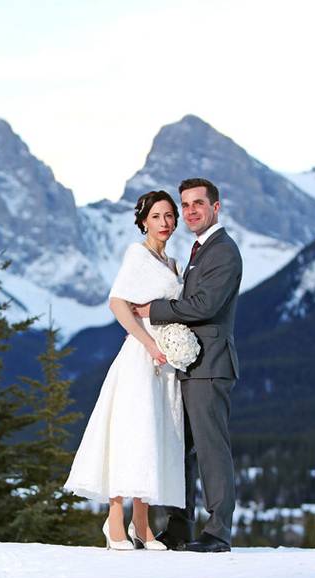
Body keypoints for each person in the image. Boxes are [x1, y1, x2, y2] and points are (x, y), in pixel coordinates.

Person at [64, 190, 185, 551]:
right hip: (140, 356)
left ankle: (142, 523)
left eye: (169, 216)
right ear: (143, 221)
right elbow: (117, 302)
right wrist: (148, 344)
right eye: (157, 216)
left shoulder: (173, 264)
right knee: (131, 432)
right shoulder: (138, 255)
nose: (165, 223)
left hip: (166, 363)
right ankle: (115, 518)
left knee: (155, 434)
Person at [132, 177, 242, 553]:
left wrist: (153, 311)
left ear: (216, 207)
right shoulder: (199, 250)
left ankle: (219, 531)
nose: (191, 210)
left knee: (212, 449)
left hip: (211, 365)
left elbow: (204, 306)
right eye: (186, 205)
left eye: (199, 203)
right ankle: (179, 526)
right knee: (182, 449)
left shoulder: (223, 251)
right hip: (190, 365)